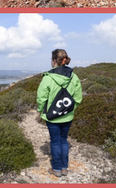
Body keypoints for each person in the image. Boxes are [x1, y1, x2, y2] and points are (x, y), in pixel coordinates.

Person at [36, 49, 82, 178]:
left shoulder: (48, 77)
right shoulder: (74, 76)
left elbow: (41, 98)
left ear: (54, 61)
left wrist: (41, 110)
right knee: (63, 140)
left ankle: (56, 168)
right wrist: (70, 109)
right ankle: (64, 167)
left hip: (52, 117)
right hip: (68, 116)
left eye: (51, 59)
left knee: (55, 141)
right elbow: (78, 98)